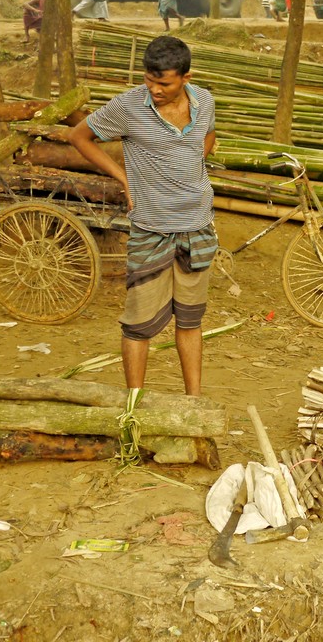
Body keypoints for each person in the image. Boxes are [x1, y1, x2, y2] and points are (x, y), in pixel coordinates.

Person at [68, 36, 219, 400]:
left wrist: (189, 170)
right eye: (149, 80)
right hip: (151, 230)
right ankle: (133, 408)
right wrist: (124, 177)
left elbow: (208, 138)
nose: (154, 89)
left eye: (164, 83)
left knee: (190, 320)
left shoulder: (206, 101)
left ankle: (193, 402)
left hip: (198, 227)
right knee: (138, 325)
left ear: (185, 77)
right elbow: (80, 136)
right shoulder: (129, 106)